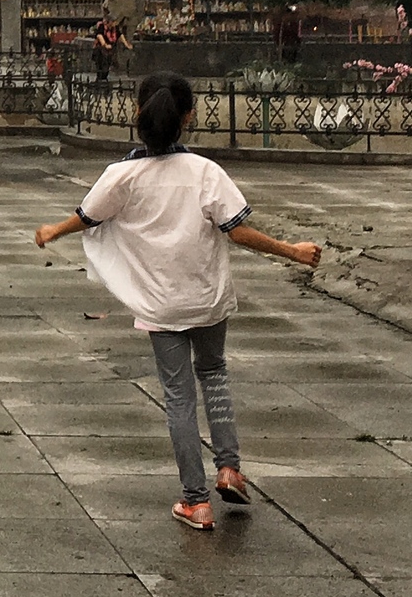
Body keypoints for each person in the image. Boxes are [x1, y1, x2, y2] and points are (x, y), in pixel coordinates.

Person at [33, 72, 320, 531]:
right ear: (188, 117)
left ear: (137, 114)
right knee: (214, 374)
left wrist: (52, 231)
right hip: (208, 300)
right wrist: (292, 250)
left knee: (179, 397)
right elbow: (238, 230)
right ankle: (229, 467)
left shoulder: (121, 176)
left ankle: (196, 501)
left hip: (161, 307)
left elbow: (87, 216)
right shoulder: (206, 173)